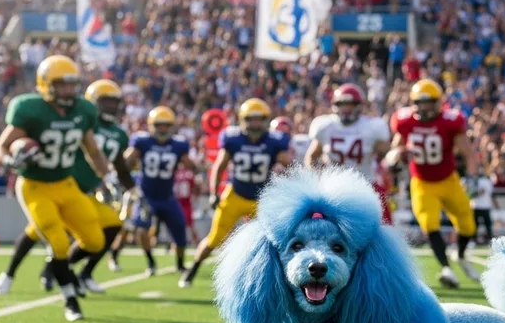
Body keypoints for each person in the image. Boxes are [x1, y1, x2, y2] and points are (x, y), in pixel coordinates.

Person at [0, 56, 108, 321]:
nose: (68, 90)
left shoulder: (83, 110)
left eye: (71, 85)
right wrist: (9, 159)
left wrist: (107, 178)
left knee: (94, 240)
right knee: (57, 242)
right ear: (45, 84)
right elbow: (0, 146)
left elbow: (92, 150)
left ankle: (52, 273)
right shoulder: (30, 109)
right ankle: (70, 300)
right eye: (61, 85)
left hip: (66, 184)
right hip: (35, 185)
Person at [179, 98, 292, 287]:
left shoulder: (274, 141)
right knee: (215, 238)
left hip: (261, 199)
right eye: (251, 119)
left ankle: (277, 279)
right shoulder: (233, 139)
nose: (255, 124)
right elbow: (219, 166)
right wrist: (215, 192)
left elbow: (290, 167)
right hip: (235, 195)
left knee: (272, 241)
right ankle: (192, 270)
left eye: (259, 119)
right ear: (242, 120)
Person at [388, 78, 479, 288]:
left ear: (439, 103)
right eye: (421, 103)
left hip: (449, 180)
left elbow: (468, 154)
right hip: (422, 181)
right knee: (429, 224)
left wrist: (473, 177)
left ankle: (461, 255)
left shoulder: (450, 121)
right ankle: (446, 268)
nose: (426, 108)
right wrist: (396, 155)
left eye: (430, 103)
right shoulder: (405, 121)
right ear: (414, 103)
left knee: (467, 225)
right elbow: (396, 147)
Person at [124, 106, 195, 277]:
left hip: (168, 197)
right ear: (151, 125)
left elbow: (189, 165)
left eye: (166, 125)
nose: (162, 129)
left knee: (180, 232)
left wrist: (199, 166)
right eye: (159, 125)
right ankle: (151, 262)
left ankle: (179, 264)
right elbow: (126, 160)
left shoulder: (179, 144)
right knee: (141, 230)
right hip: (146, 196)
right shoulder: (142, 141)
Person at [305, 83, 392, 222]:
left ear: (359, 106)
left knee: (384, 226)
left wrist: (384, 161)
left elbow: (385, 151)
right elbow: (311, 156)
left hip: (366, 184)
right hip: (333, 188)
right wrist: (316, 179)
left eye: (350, 104)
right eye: (342, 104)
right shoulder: (326, 126)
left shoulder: (372, 127)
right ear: (335, 106)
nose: (346, 109)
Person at [470, 165, 496, 244]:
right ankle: (473, 240)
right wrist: (478, 193)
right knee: (475, 225)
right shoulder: (474, 180)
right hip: (476, 206)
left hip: (485, 206)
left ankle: (490, 241)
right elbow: (471, 194)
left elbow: (491, 194)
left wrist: (495, 204)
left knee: (487, 225)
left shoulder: (487, 181)